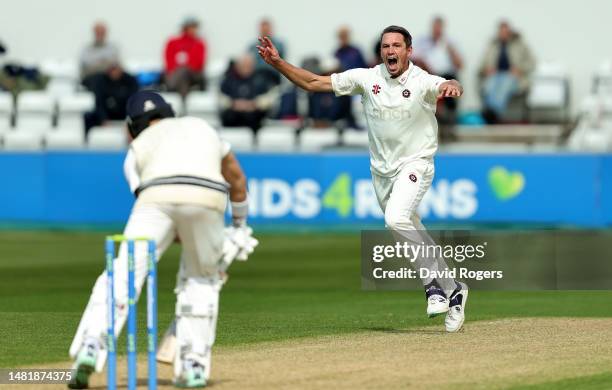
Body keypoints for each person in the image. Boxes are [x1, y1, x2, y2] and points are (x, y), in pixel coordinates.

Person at [257, 25, 468, 332]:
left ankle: (432, 287)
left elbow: (446, 82)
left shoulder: (422, 80)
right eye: (386, 46)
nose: (391, 51)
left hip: (416, 163)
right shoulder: (368, 78)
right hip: (381, 172)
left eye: (397, 45)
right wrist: (277, 62)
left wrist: (453, 85)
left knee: (396, 219)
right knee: (414, 229)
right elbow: (314, 82)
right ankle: (454, 289)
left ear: (409, 51)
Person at [68, 91, 257, 388]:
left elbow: (158, 211)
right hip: (207, 197)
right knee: (201, 280)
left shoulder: (137, 147)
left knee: (124, 272)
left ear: (133, 126)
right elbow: (236, 177)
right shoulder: (200, 127)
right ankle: (193, 364)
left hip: (157, 195)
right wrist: (238, 226)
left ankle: (92, 345)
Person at [413, 16, 463, 135]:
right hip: (428, 75)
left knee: (452, 85)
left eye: (439, 27)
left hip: (446, 75)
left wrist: (451, 51)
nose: (437, 30)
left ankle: (449, 121)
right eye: (435, 27)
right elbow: (414, 59)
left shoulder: (450, 42)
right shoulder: (421, 41)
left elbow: (460, 64)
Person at [479, 21, 535, 123]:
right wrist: (487, 69)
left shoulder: (519, 44)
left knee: (505, 83)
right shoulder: (492, 45)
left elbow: (532, 62)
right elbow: (481, 66)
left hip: (513, 77)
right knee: (490, 85)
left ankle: (493, 113)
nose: (503, 34)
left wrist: (520, 69)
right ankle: (492, 113)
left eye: (506, 32)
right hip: (495, 76)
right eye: (501, 32)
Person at [219, 53, 277, 132]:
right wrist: (233, 104)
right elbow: (221, 97)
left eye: (248, 66)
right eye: (243, 66)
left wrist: (254, 104)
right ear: (237, 66)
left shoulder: (261, 80)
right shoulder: (228, 80)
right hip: (232, 116)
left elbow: (269, 98)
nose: (246, 68)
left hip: (254, 117)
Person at [83, 63, 139, 133]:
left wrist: (129, 118)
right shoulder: (100, 81)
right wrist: (103, 119)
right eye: (112, 69)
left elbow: (134, 101)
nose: (114, 72)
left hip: (123, 112)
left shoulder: (130, 80)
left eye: (116, 69)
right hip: (107, 113)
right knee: (88, 117)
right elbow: (99, 102)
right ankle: (87, 140)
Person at [163, 17, 207, 97]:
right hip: (178, 76)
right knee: (183, 79)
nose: (194, 30)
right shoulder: (173, 42)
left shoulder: (199, 43)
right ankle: (184, 101)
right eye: (192, 27)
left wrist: (184, 66)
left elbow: (199, 63)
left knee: (184, 71)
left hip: (193, 76)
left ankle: (171, 85)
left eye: (195, 27)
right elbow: (168, 62)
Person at [248, 18, 286, 85]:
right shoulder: (252, 46)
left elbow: (282, 62)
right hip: (256, 77)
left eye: (267, 29)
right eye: (263, 29)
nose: (265, 32)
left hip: (273, 77)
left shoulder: (279, 45)